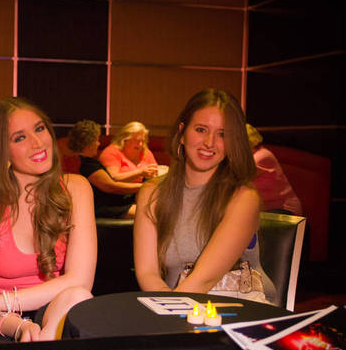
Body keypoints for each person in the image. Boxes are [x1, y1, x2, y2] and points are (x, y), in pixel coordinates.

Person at [0, 97, 96, 341]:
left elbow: (81, 280)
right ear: (2, 151)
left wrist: (5, 300)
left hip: (55, 311)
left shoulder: (76, 188)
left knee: (78, 297)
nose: (37, 142)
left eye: (39, 129)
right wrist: (21, 327)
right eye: (20, 138)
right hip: (3, 323)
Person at [133, 89, 276, 303]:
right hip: (174, 304)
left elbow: (202, 281)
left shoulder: (244, 198)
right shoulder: (151, 193)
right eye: (201, 129)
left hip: (238, 308)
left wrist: (168, 311)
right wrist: (167, 308)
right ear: (182, 133)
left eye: (222, 134)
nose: (210, 142)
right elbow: (147, 273)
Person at [67, 120, 143, 219]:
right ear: (88, 142)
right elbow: (111, 186)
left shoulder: (81, 161)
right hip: (102, 208)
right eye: (96, 140)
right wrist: (142, 187)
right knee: (148, 212)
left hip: (110, 203)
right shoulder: (86, 164)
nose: (98, 144)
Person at [246, 123, 303, 216]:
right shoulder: (253, 156)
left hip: (285, 212)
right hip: (269, 211)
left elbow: (237, 178)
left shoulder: (261, 157)